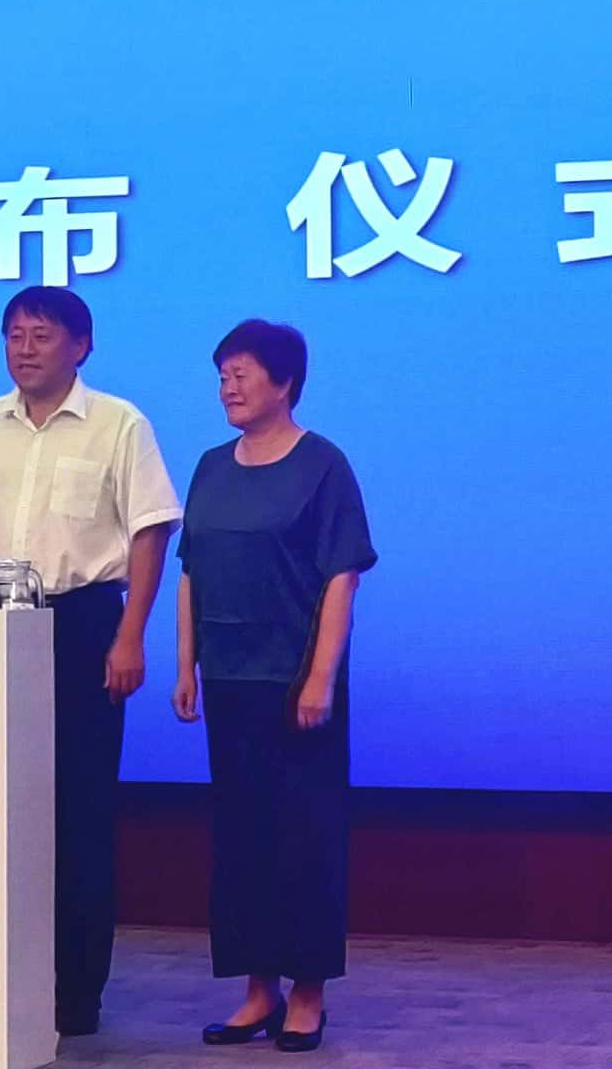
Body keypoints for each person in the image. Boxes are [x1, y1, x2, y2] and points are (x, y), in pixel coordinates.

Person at [0, 286, 181, 1037]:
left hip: (81, 625)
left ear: (82, 345)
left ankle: (76, 994)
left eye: (41, 335)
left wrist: (131, 635)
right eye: (14, 334)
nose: (24, 348)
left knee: (79, 814)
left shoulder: (118, 423)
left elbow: (148, 532)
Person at [172, 319, 376, 1054]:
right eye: (222, 375)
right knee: (242, 840)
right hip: (229, 682)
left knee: (304, 838)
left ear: (284, 382)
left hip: (295, 687)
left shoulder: (323, 466)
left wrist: (321, 677)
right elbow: (190, 572)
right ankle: (258, 992)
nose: (227, 387)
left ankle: (308, 994)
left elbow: (342, 577)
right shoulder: (209, 466)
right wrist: (186, 664)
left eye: (242, 374)